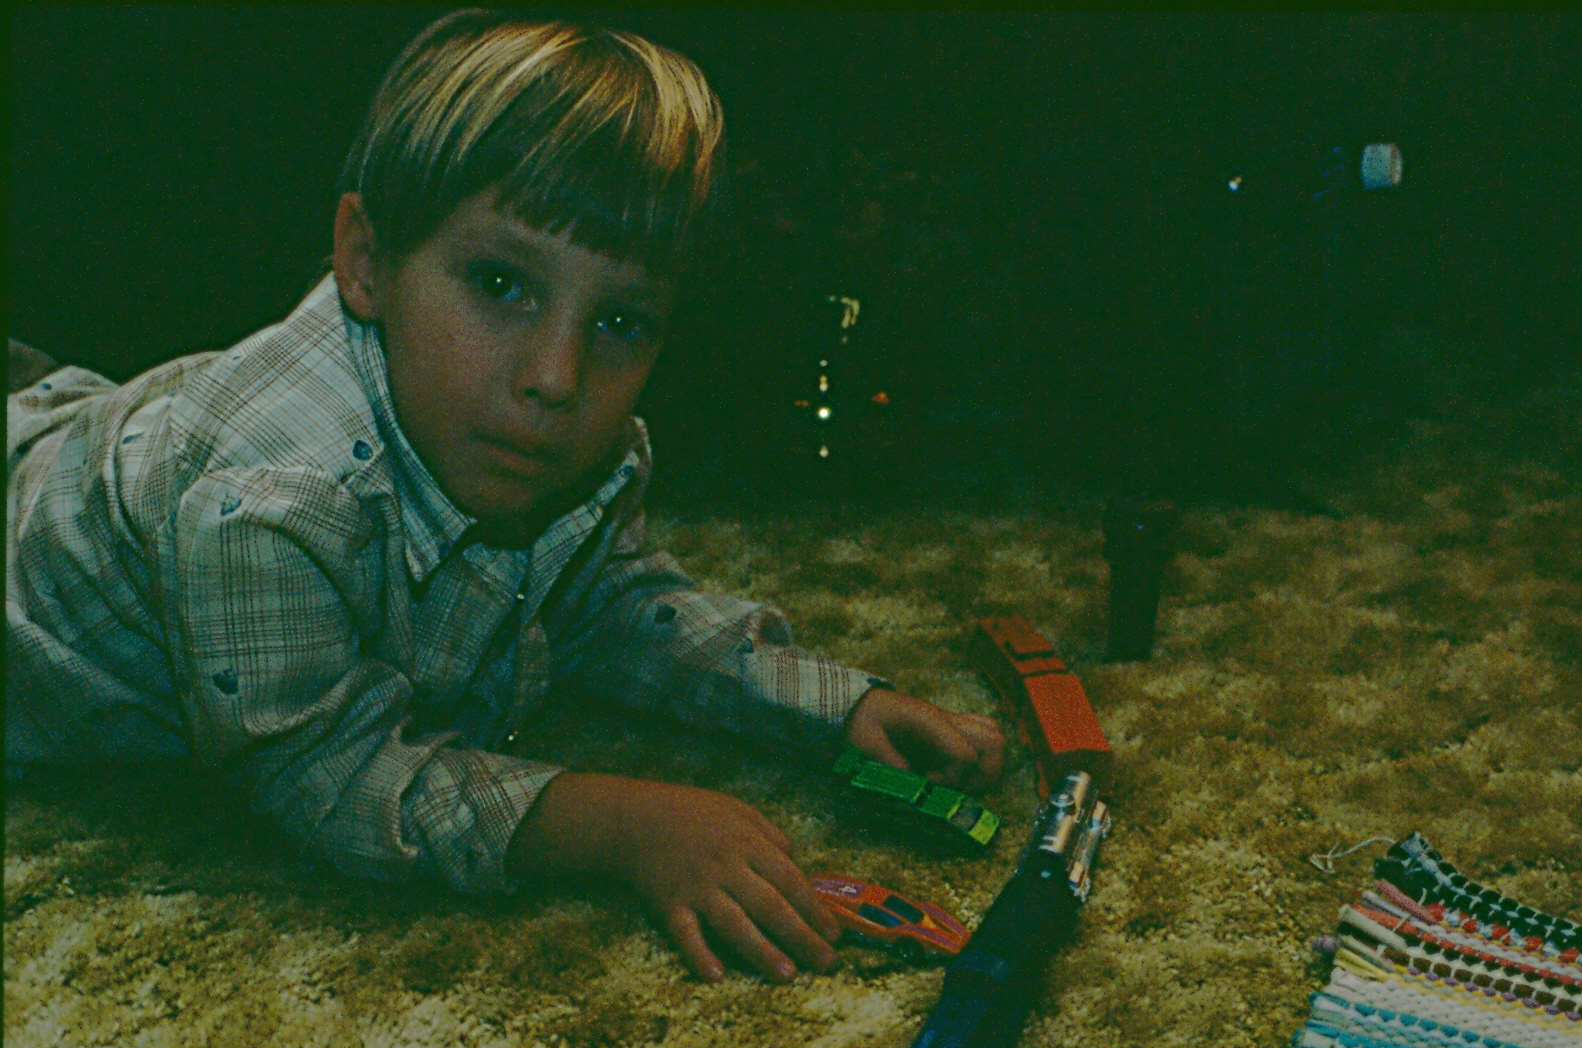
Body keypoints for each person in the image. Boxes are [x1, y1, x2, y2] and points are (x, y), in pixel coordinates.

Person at [5, 10, 1003, 985]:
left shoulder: (564, 447)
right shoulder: (267, 506)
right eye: (500, 283)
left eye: (620, 321)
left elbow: (614, 604)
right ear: (366, 262)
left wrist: (831, 702)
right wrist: (623, 825)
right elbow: (329, 779)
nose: (558, 376)